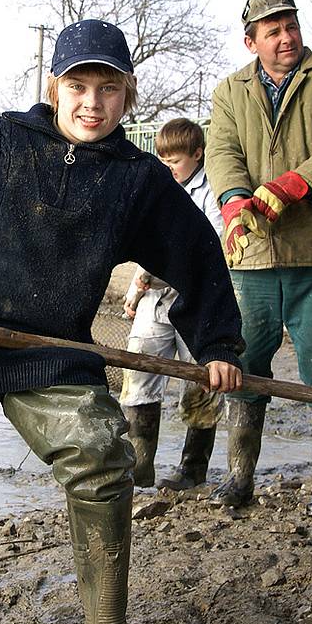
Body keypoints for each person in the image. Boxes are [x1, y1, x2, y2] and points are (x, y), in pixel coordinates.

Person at [0, 19, 244, 624]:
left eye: (107, 89)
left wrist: (219, 346)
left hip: (50, 350)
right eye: (77, 86)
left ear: (127, 96)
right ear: (54, 87)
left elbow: (197, 257)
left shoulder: (136, 179)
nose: (91, 103)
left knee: (102, 459)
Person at [205, 0, 312, 516]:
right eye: (272, 31)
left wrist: (293, 185)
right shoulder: (230, 91)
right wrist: (233, 202)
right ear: (251, 41)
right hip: (254, 257)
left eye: (291, 26)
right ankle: (239, 476)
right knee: (243, 365)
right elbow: (222, 151)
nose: (286, 37)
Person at [121, 118, 225, 491]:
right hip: (154, 295)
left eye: (175, 162)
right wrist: (136, 289)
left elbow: (210, 250)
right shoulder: (157, 191)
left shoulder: (211, 194)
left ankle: (193, 468)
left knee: (200, 380)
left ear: (197, 155)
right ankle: (140, 464)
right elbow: (145, 245)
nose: (168, 169)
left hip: (195, 298)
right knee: (138, 370)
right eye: (162, 162)